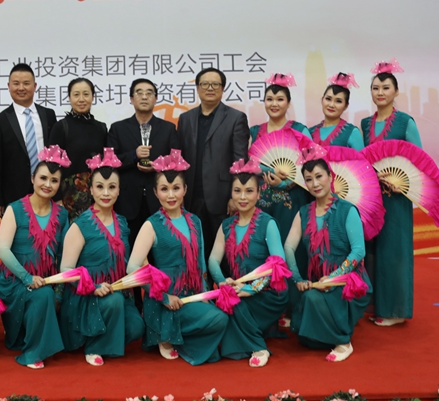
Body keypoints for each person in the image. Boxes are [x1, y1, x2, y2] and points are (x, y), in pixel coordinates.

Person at [127, 149, 229, 366]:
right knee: (218, 320)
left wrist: (205, 296)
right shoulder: (151, 225)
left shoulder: (195, 221)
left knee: (222, 317)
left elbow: (201, 264)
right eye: (164, 189)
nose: (171, 195)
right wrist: (164, 297)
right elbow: (132, 268)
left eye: (176, 188)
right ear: (155, 192)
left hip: (190, 296)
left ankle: (175, 336)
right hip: (165, 300)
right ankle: (164, 332)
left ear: (185, 189)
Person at [284, 145, 371, 362]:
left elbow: (359, 251)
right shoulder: (303, 213)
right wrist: (298, 279)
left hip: (348, 282)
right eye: (309, 179)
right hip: (318, 281)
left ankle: (343, 341)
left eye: (319, 176)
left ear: (330, 176)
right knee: (305, 338)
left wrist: (333, 278)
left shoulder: (347, 210)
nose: (315, 184)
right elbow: (289, 247)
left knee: (312, 298)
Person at [58, 148, 145, 366]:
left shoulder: (122, 223)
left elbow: (127, 263)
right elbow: (65, 270)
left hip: (117, 293)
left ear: (119, 190)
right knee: (113, 301)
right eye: (100, 187)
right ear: (90, 190)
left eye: (111, 187)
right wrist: (93, 287)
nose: (106, 193)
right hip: (85, 296)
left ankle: (105, 335)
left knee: (137, 327)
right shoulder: (80, 225)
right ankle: (94, 345)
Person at [0, 146, 71, 369]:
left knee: (53, 295)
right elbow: (3, 250)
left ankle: (38, 345)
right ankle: (32, 352)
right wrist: (27, 278)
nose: (48, 184)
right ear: (32, 178)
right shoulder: (15, 209)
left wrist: (59, 292)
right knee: (43, 295)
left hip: (46, 281)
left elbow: (64, 256)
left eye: (54, 180)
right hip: (13, 282)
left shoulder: (63, 215)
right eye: (43, 178)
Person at [208, 159, 288, 367]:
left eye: (249, 191)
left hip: (268, 292)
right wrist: (222, 282)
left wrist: (251, 289)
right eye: (237, 191)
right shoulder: (226, 225)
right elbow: (213, 260)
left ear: (259, 194)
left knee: (236, 304)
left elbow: (278, 265)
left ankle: (259, 347)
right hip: (237, 289)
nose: (243, 197)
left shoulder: (268, 223)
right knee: (221, 309)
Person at [360, 59, 421, 327]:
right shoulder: (364, 124)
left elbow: (419, 161)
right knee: (373, 251)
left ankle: (396, 310)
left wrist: (403, 183)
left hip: (397, 198)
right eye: (375, 88)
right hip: (372, 198)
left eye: (386, 88)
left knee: (394, 252)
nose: (380, 92)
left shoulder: (405, 122)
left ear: (396, 91)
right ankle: (376, 304)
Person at [249, 73, 311, 326]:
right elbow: (250, 166)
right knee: (264, 250)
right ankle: (270, 307)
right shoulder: (255, 131)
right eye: (269, 99)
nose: (274, 103)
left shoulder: (300, 130)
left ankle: (294, 306)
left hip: (292, 200)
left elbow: (310, 166)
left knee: (290, 248)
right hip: (264, 201)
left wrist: (286, 182)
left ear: (288, 102)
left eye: (280, 99)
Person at [178, 67, 249, 263]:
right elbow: (180, 159)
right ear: (197, 88)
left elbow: (240, 161)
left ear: (223, 88)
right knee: (195, 251)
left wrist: (235, 195)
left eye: (215, 84)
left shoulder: (236, 118)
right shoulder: (185, 119)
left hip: (222, 197)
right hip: (191, 197)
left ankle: (224, 284)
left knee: (224, 254)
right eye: (205, 84)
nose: (210, 88)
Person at [108, 79, 178, 246]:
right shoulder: (118, 128)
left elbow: (176, 161)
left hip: (159, 200)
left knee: (160, 248)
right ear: (131, 99)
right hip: (128, 201)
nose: (144, 97)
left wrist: (158, 167)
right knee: (129, 249)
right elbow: (110, 161)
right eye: (139, 93)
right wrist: (134, 155)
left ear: (156, 98)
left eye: (149, 93)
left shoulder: (168, 128)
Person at [0, 63, 58, 218]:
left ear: (35, 86)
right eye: (16, 83)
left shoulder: (49, 115)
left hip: (47, 189)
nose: (21, 88)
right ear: (8, 86)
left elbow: (55, 154)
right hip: (13, 194)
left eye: (26, 83)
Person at [49, 77, 108, 220]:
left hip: (98, 196)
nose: (81, 99)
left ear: (93, 97)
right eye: (76, 94)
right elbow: (52, 165)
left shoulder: (101, 128)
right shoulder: (61, 127)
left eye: (86, 94)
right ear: (69, 98)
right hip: (68, 198)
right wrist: (57, 198)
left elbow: (106, 163)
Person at [308, 73, 365, 150]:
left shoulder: (352, 132)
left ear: (346, 106)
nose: (331, 105)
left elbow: (361, 158)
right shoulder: (310, 133)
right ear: (322, 100)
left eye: (338, 101)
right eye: (328, 99)